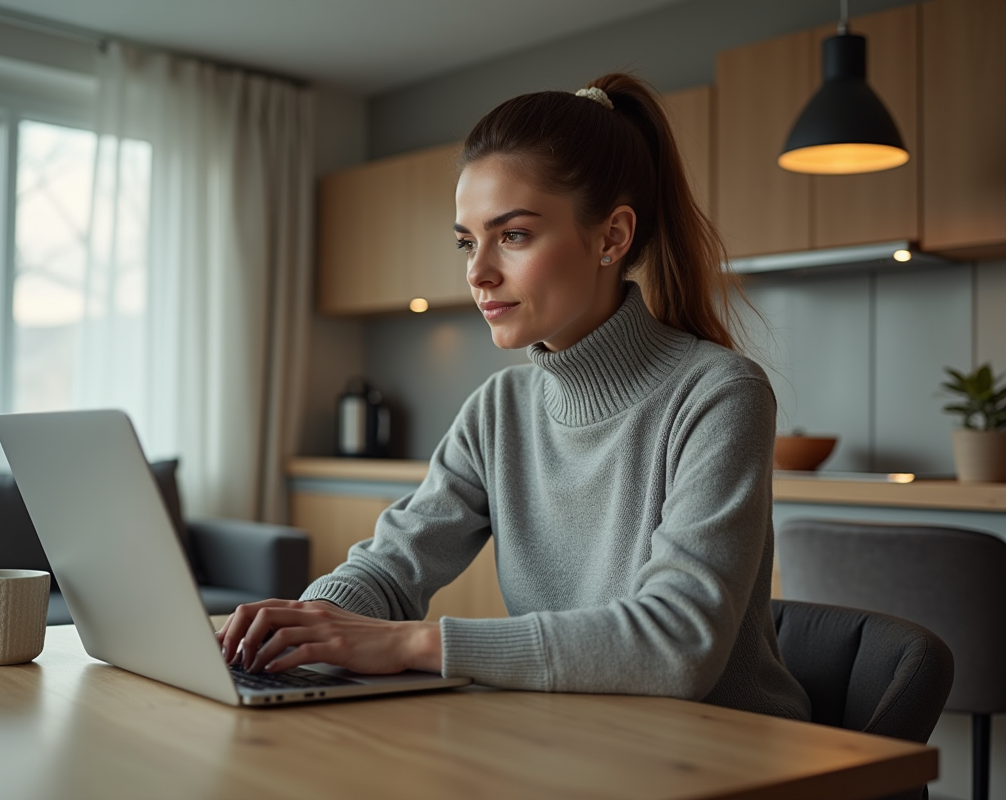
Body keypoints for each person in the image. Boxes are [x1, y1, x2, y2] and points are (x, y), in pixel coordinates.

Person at [219, 73, 811, 720]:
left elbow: (678, 643)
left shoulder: (719, 394)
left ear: (612, 237)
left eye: (514, 235)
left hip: (727, 747)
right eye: (467, 242)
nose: (477, 272)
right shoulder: (499, 408)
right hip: (577, 734)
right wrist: (307, 622)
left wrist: (412, 643)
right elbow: (392, 566)